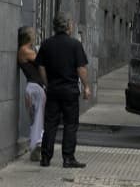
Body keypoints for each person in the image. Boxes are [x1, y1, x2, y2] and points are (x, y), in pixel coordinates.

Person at [36, 12, 91, 168]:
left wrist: (47, 83)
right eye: (71, 24)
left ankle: (45, 158)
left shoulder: (46, 44)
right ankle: (68, 158)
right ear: (68, 26)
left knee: (50, 124)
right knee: (70, 124)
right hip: (70, 91)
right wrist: (86, 86)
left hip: (53, 90)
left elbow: (40, 66)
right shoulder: (75, 45)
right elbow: (81, 68)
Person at [17, 26, 46, 162]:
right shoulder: (25, 50)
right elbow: (41, 61)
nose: (35, 34)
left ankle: (36, 145)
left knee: (36, 118)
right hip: (35, 88)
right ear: (28, 36)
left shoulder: (28, 50)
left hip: (34, 88)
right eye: (33, 33)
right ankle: (36, 145)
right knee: (38, 118)